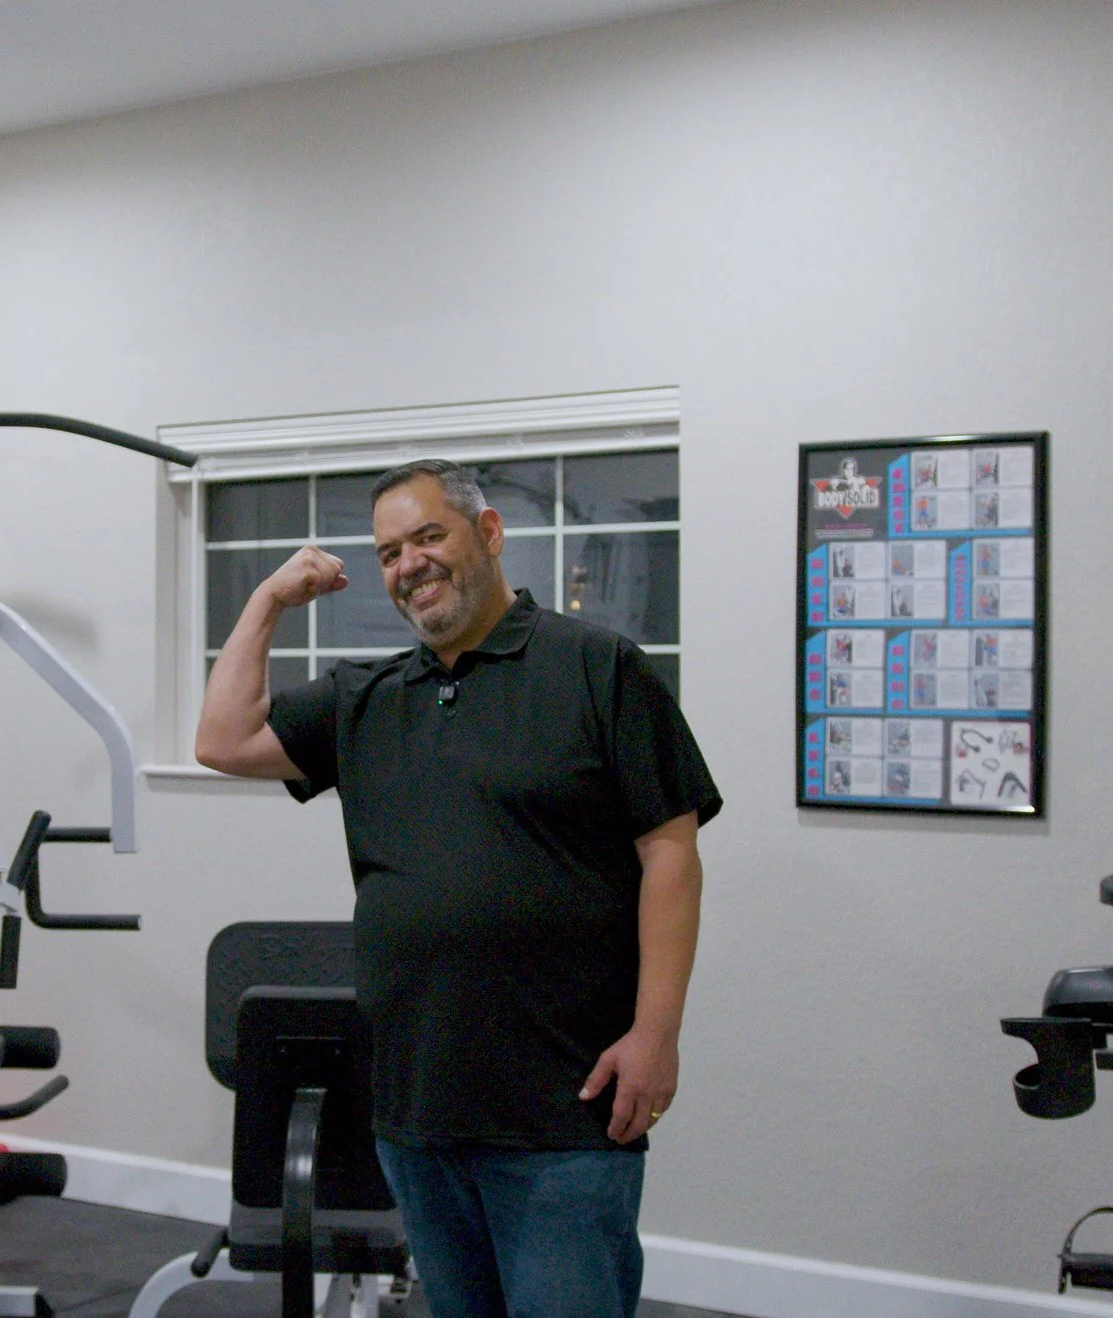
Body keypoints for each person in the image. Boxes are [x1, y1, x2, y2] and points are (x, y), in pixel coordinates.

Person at [195, 458, 721, 1318]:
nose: (409, 565)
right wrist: (269, 602)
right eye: (389, 552)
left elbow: (671, 853)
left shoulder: (598, 669)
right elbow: (222, 738)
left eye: (428, 536)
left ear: (488, 533)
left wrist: (655, 1035)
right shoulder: (368, 696)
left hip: (564, 1107)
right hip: (416, 1109)